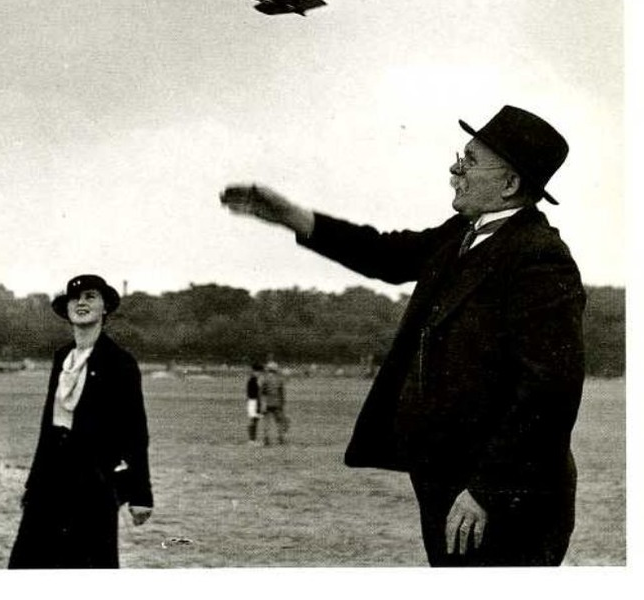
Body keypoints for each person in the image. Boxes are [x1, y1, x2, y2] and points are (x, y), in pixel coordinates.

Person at [221, 105, 586, 567]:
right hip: (450, 483)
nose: (455, 168)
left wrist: (487, 490)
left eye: (470, 160)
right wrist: (294, 217)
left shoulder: (539, 258)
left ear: (511, 184)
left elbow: (548, 392)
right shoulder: (463, 234)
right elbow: (386, 255)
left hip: (503, 497)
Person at [9, 274, 153, 569]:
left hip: (94, 482)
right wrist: (33, 484)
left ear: (105, 308)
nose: (81, 303)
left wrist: (141, 493)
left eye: (90, 297)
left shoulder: (120, 362)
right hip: (50, 480)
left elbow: (135, 431)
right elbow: (48, 427)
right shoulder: (62, 357)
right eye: (75, 298)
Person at [259, 360, 289, 446]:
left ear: (268, 369)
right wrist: (283, 403)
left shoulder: (264, 378)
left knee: (266, 421)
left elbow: (261, 392)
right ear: (276, 369)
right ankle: (281, 438)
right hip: (277, 403)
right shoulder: (279, 379)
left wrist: (261, 402)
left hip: (266, 403)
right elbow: (282, 393)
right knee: (279, 421)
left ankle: (266, 439)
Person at [245, 363, 263, 443]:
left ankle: (253, 439)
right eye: (259, 372)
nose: (260, 374)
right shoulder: (253, 380)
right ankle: (251, 439)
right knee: (253, 421)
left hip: (253, 402)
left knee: (255, 420)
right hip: (253, 402)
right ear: (255, 371)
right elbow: (251, 394)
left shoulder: (254, 380)